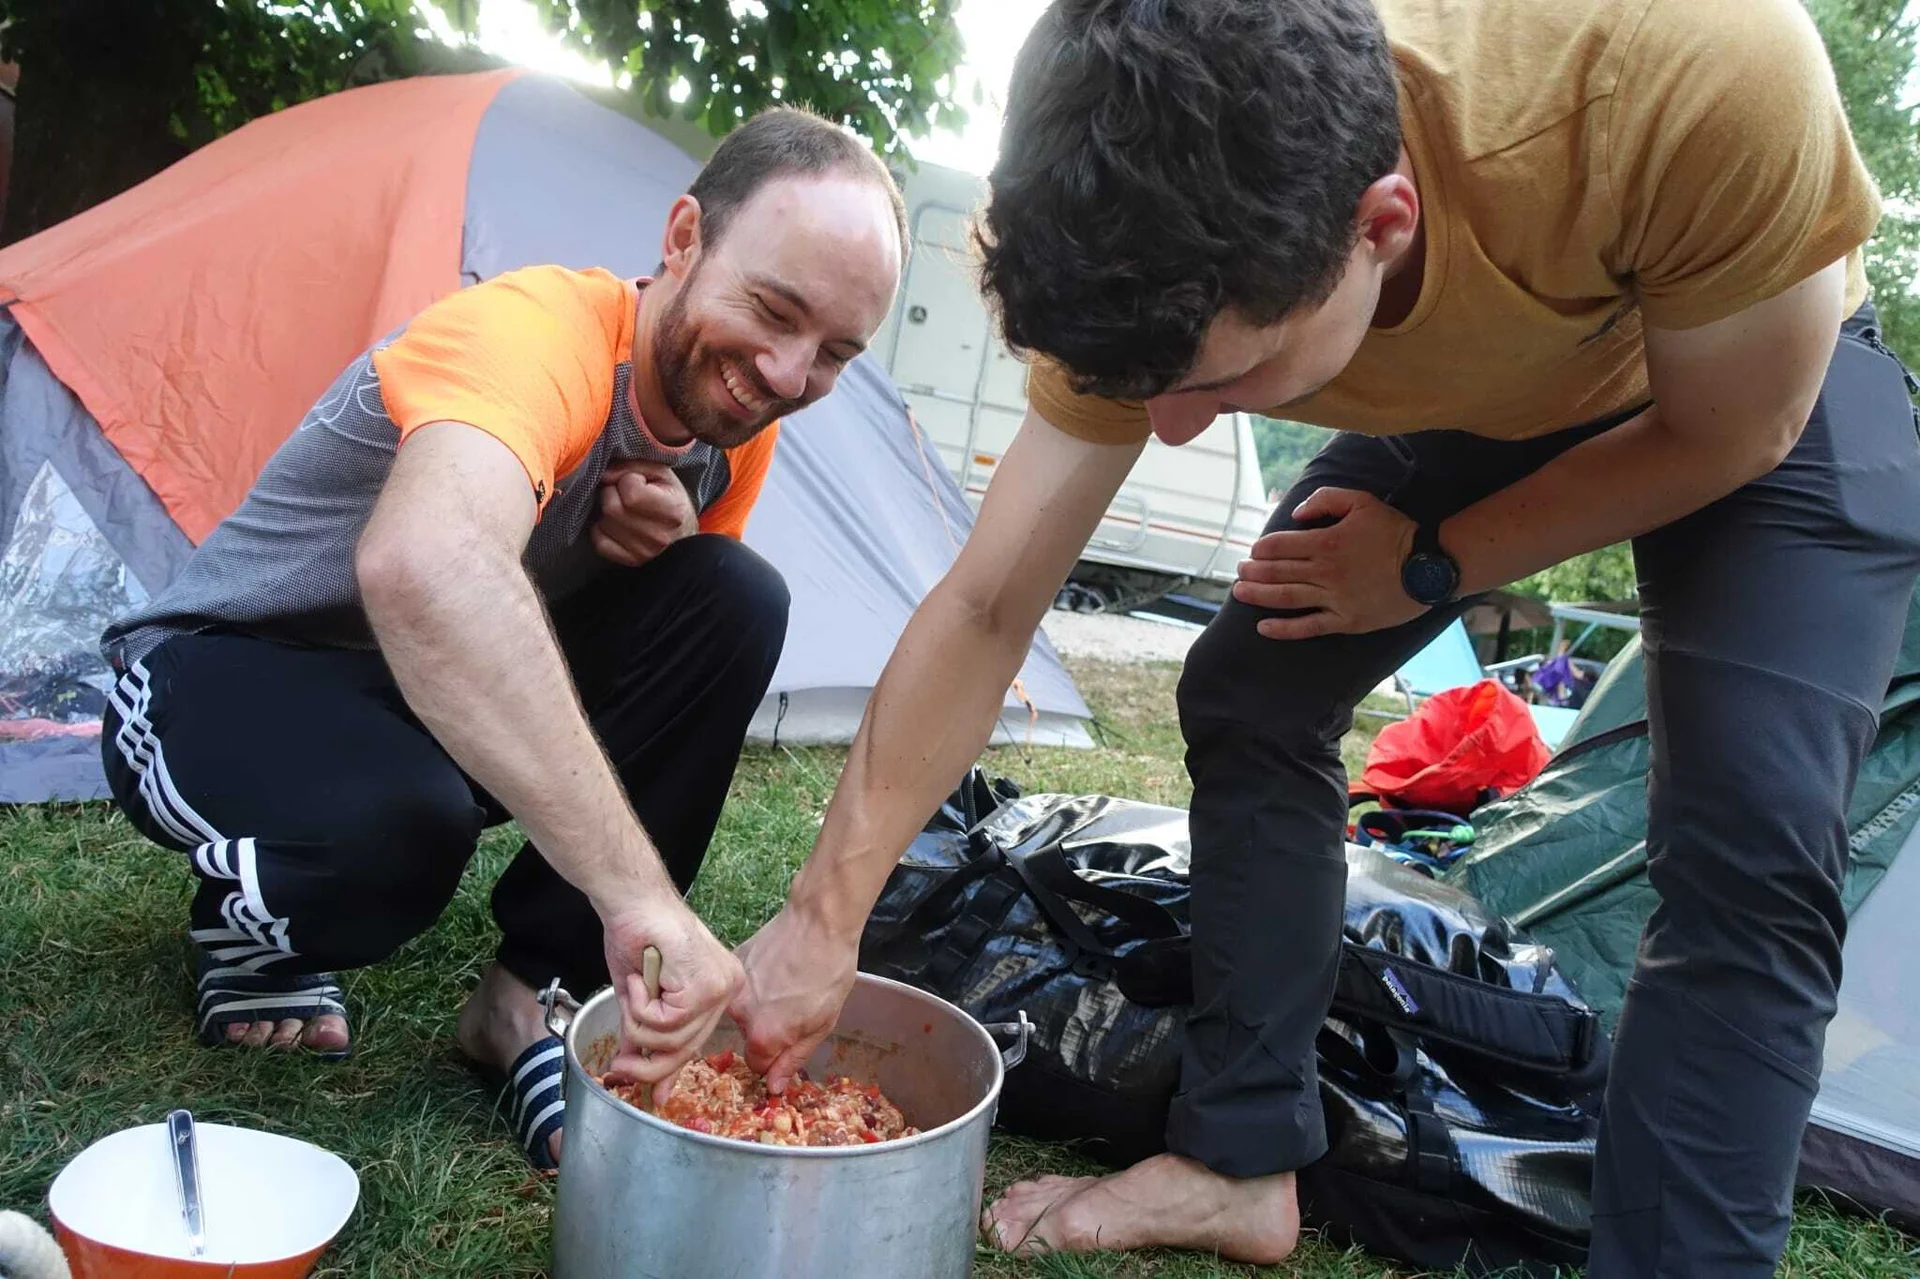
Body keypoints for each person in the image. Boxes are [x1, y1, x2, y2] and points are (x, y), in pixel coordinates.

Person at [724, 0, 1920, 1273]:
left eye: (1223, 381)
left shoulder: (1693, 71)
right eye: (1146, 392)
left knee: (1752, 849)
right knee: (1252, 681)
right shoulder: (1128, 221)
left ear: (1382, 225)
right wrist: (819, 917)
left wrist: (1430, 560)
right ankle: (1241, 1161)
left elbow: (1731, 430)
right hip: (1498, 387)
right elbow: (986, 604)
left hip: (1749, 371)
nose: (1173, 434)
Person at [96, 105, 906, 1170]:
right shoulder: (534, 331)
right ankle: (249, 921)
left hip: (414, 712)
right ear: (681, 239)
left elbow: (674, 662)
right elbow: (425, 564)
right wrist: (642, 898)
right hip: (223, 672)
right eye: (773, 308)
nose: (792, 376)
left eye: (836, 352)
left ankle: (533, 999)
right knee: (399, 830)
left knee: (733, 592)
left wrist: (651, 563)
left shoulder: (727, 422)